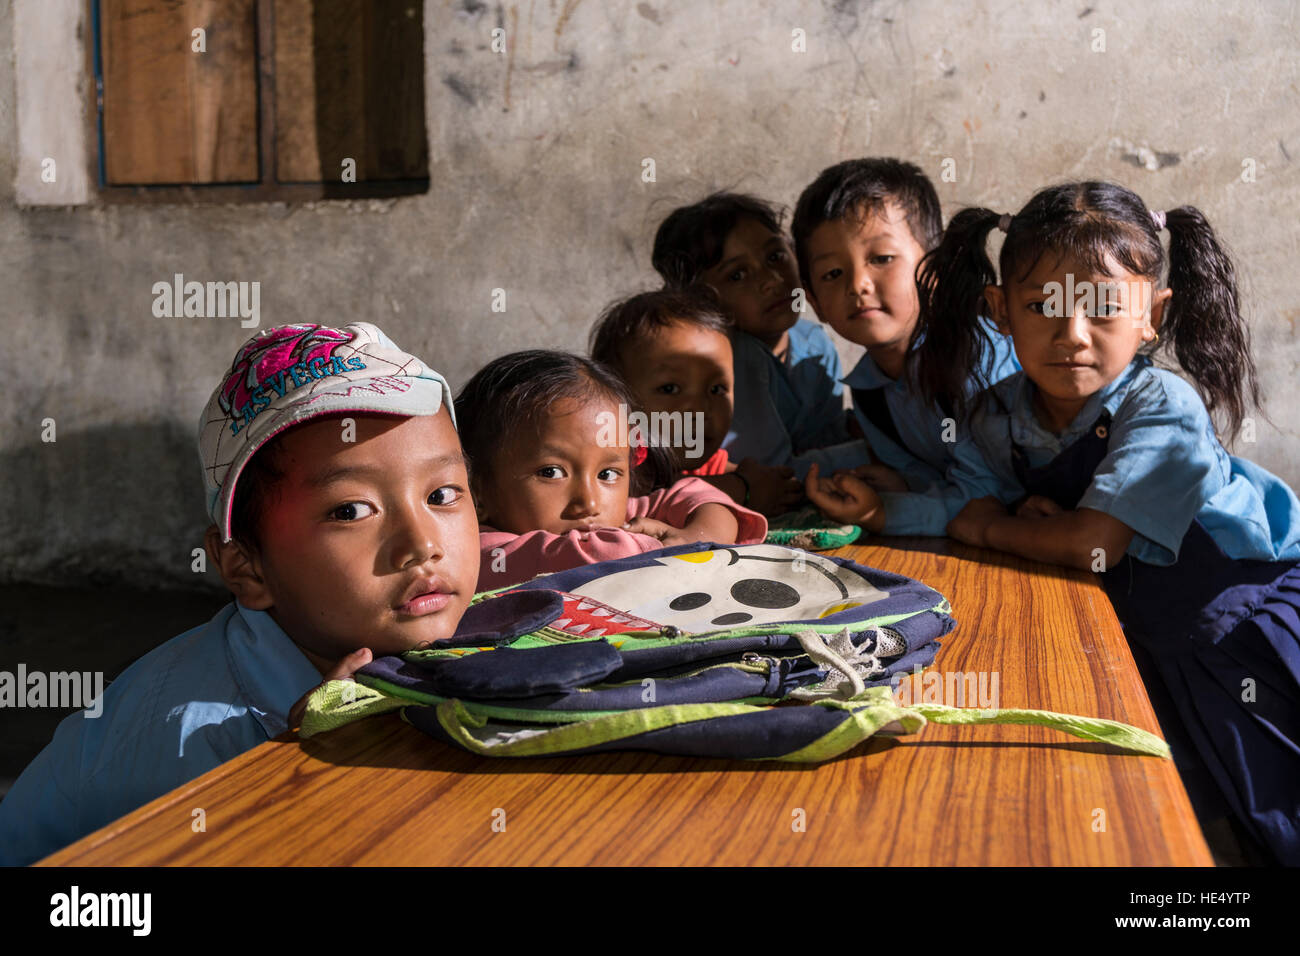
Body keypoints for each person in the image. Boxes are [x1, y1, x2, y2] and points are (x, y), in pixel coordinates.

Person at [0, 322, 482, 865]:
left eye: (442, 494)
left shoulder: (442, 640)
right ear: (247, 568)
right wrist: (294, 776)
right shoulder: (192, 743)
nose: (421, 545)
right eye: (350, 510)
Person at [793, 157, 1020, 534]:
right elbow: (931, 477)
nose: (858, 285)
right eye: (833, 273)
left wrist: (883, 512)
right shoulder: (870, 392)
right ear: (815, 301)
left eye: (881, 258)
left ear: (935, 268)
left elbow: (994, 499)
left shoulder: (976, 358)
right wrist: (904, 485)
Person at [455, 349, 766, 591]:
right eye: (551, 472)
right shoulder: (481, 554)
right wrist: (663, 545)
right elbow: (602, 557)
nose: (589, 503)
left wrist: (695, 537)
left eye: (607, 474)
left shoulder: (620, 516)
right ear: (479, 494)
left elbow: (698, 494)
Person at [589, 288, 804, 516]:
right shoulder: (612, 463)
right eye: (670, 389)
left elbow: (734, 473)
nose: (699, 408)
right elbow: (651, 494)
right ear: (612, 398)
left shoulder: (692, 457)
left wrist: (776, 483)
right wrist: (743, 488)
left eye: (716, 389)